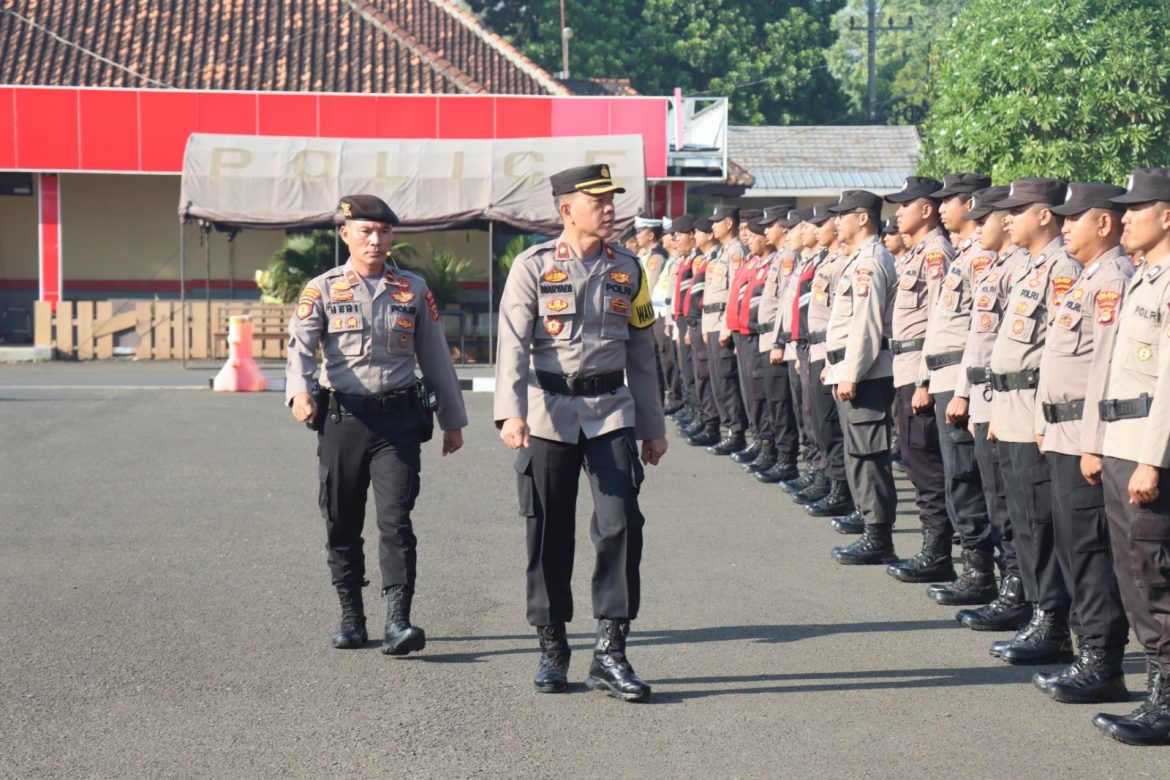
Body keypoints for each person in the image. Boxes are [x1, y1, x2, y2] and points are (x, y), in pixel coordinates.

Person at [494, 163, 667, 703]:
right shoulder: (532, 266)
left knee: (622, 524)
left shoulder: (629, 269)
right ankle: (553, 646)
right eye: (599, 200)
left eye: (612, 199)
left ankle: (611, 652)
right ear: (567, 209)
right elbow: (512, 345)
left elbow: (642, 351)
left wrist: (653, 425)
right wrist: (510, 412)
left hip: (610, 409)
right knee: (548, 531)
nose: (611, 208)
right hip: (547, 412)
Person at [286, 194, 467, 655]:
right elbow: (301, 348)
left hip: (399, 422)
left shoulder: (412, 289)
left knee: (396, 520)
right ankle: (351, 614)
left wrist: (452, 420)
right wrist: (299, 391)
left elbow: (436, 358)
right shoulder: (322, 289)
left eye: (384, 232)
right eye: (366, 231)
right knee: (342, 519)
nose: (376, 240)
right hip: (343, 419)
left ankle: (398, 620)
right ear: (345, 234)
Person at [1030, 182, 1132, 704]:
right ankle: (1085, 649)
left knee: (1091, 551)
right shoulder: (1088, 278)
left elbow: (1105, 368)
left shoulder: (1114, 279)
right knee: (1073, 547)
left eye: (1074, 218)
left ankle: (1102, 663)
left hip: (1085, 436)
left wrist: (1092, 441)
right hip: (1064, 432)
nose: (1063, 225)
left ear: (1104, 224)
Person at [987, 177, 1081, 665]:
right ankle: (1038, 612)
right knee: (1021, 515)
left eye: (1017, 210)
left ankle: (1053, 622)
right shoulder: (1028, 267)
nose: (1007, 219)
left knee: (1040, 520)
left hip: (1033, 408)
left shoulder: (1063, 269)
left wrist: (1043, 418)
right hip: (1009, 407)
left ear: (1045, 215)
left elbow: (1059, 354)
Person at [1093, 169, 1170, 745]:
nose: (1123, 218)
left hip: (1148, 450)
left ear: (1165, 214)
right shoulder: (1145, 277)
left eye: (1136, 209)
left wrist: (1151, 459)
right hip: (1122, 444)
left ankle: (1165, 700)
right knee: (1133, 572)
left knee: (1154, 574)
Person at [953, 188, 1033, 631]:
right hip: (988, 397)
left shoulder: (1021, 268)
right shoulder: (1000, 267)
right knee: (996, 499)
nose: (977, 226)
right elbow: (980, 340)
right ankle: (1008, 587)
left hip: (1007, 401)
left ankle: (1016, 592)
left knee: (1010, 505)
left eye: (983, 219)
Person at [919, 173, 998, 604]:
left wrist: (964, 388)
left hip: (961, 380)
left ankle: (982, 572)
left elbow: (979, 332)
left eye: (948, 200)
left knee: (966, 477)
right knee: (956, 476)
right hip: (945, 375)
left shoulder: (980, 257)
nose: (942, 207)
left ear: (969, 203)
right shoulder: (964, 255)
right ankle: (976, 569)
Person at [883, 176, 956, 583]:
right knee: (915, 459)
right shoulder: (915, 255)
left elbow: (939, 323)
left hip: (920, 371)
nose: (897, 214)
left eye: (905, 205)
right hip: (904, 367)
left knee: (926, 463)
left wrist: (926, 381)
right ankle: (934, 546)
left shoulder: (936, 254)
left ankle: (937, 550)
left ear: (925, 210)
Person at [822, 190, 900, 564]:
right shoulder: (858, 260)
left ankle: (878, 535)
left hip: (866, 375)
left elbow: (866, 326)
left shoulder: (871, 261)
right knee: (857, 452)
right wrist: (834, 365)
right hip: (852, 370)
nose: (838, 221)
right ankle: (870, 524)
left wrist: (850, 372)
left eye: (843, 215)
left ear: (864, 218)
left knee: (869, 455)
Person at [703, 205, 751, 455]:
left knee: (727, 380)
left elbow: (735, 291)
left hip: (722, 321)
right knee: (717, 380)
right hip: (711, 321)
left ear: (729, 224)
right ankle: (728, 427)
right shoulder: (723, 252)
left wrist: (726, 326)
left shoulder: (736, 252)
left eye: (717, 221)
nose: (712, 226)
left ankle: (737, 432)